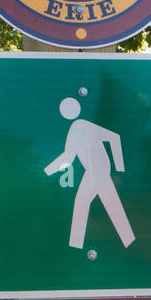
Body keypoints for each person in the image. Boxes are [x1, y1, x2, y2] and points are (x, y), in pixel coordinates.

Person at [44, 97, 135, 250]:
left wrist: (119, 168)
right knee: (94, 203)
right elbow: (68, 158)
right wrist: (46, 172)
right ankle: (127, 240)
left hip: (98, 169)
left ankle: (76, 245)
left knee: (91, 202)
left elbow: (114, 137)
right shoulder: (75, 129)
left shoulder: (81, 125)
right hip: (93, 171)